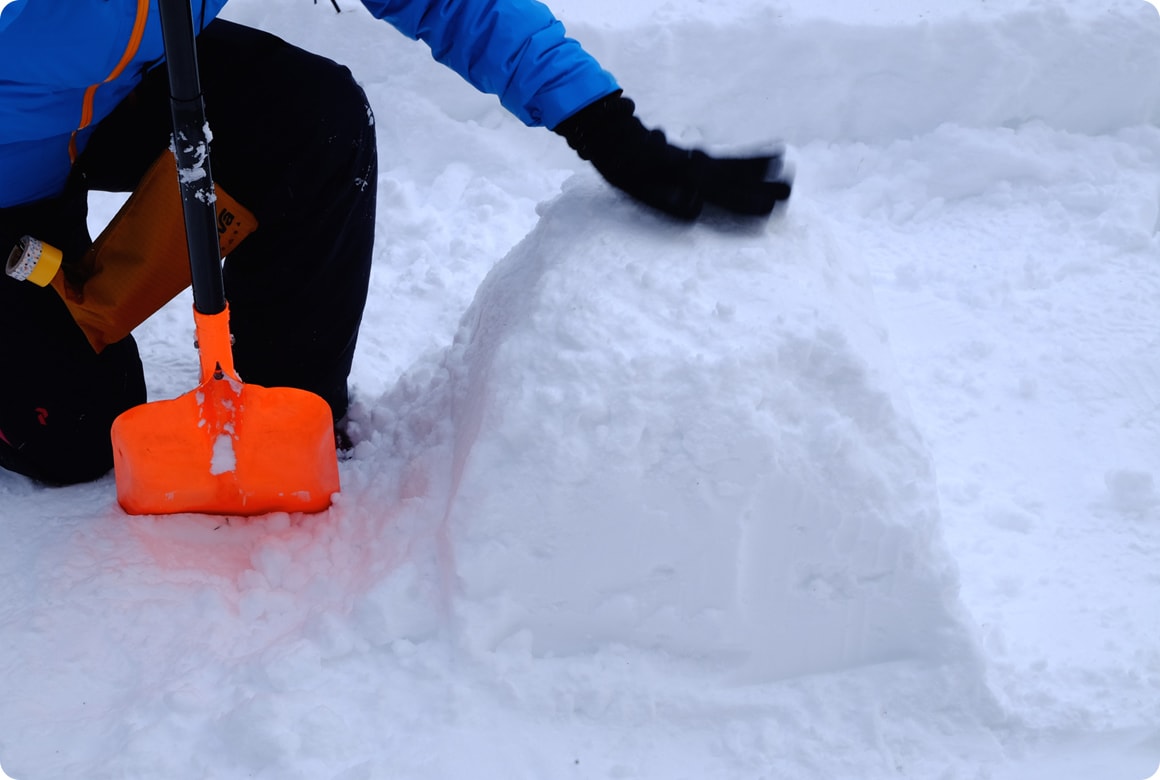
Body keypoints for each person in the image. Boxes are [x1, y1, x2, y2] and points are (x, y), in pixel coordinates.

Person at [0, 0, 792, 486]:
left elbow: (456, 3)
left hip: (113, 86)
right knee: (67, 434)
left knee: (310, 120)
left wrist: (610, 133)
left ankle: (290, 407)